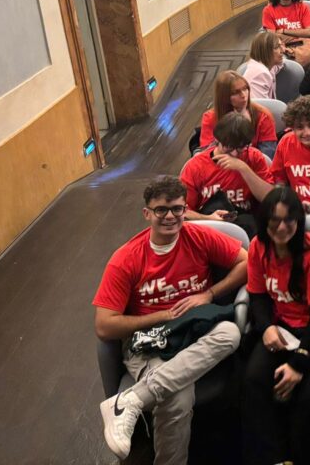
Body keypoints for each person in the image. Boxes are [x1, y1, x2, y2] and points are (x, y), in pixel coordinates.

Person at [94, 177, 246, 462]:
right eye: (161, 210)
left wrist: (210, 294)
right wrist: (161, 315)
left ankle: (131, 400)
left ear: (185, 210)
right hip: (151, 341)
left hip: (193, 331)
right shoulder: (126, 258)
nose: (170, 217)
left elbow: (247, 262)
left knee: (229, 333)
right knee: (176, 399)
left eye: (177, 209)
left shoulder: (198, 236)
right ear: (147, 213)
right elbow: (104, 326)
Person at [242, 187, 310, 465]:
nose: (281, 227)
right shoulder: (258, 246)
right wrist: (265, 327)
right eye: (273, 220)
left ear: (299, 220)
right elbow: (258, 294)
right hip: (283, 327)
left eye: (289, 219)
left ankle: (302, 456)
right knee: (254, 380)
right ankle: (276, 457)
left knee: (309, 398)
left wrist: (298, 365)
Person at [180, 112, 273, 233]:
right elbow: (182, 212)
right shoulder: (195, 166)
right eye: (228, 147)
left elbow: (269, 199)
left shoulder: (254, 157)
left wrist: (244, 169)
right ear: (217, 140)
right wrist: (208, 218)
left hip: (248, 225)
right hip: (210, 228)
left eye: (240, 148)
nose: (234, 154)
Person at [199, 70, 278, 158]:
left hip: (253, 167)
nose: (243, 95)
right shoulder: (210, 118)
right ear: (224, 97)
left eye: (245, 89)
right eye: (236, 93)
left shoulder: (263, 116)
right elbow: (207, 155)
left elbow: (268, 157)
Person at [262, 0, 310, 66]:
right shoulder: (268, 10)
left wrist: (283, 31)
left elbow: (309, 32)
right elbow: (272, 36)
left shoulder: (303, 7)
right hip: (282, 48)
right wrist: (298, 33)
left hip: (304, 46)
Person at [243, 31, 285, 101]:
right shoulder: (261, 74)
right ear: (266, 51)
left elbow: (280, 64)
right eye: (277, 47)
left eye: (282, 46)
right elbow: (261, 107)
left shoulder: (269, 65)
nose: (283, 50)